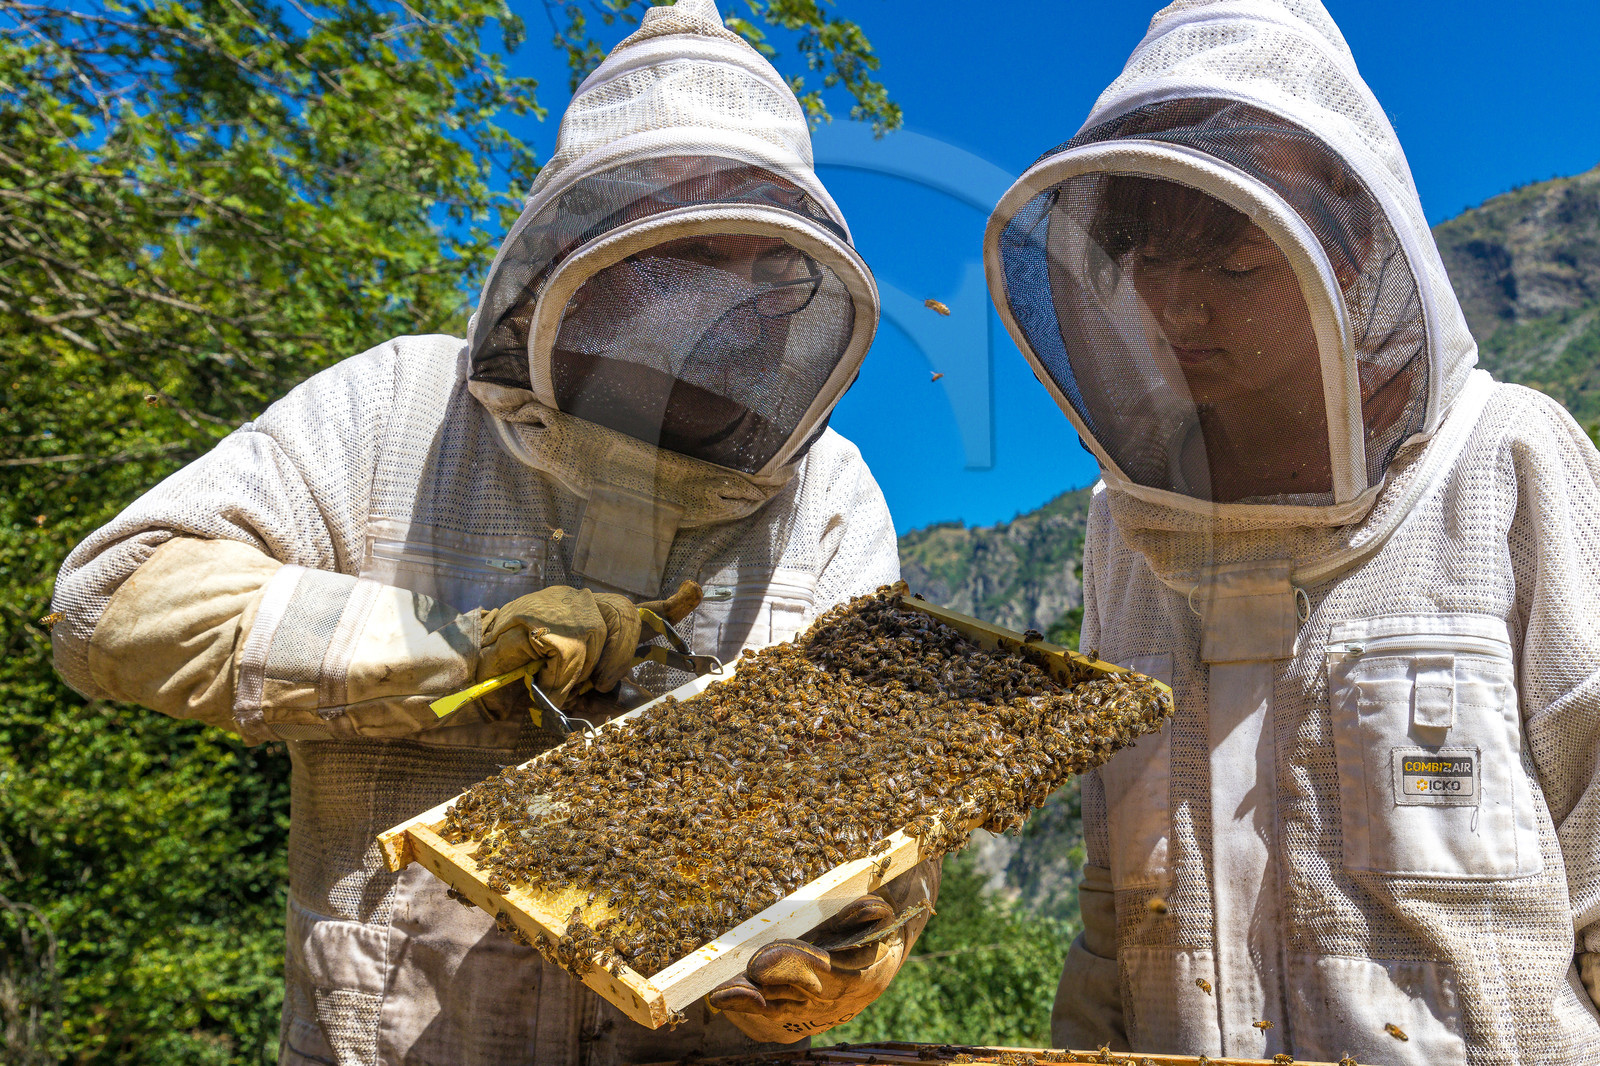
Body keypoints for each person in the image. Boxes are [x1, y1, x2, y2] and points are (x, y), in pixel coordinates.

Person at [48, 0, 936, 1061]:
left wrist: (858, 931)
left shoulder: (829, 494)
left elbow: (876, 813)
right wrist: (458, 645)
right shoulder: (394, 407)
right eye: (690, 257)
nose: (729, 307)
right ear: (585, 251)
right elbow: (110, 601)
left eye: (767, 273)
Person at [984, 1, 1600, 1063]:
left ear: (1353, 252)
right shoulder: (1120, 530)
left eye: (1231, 265)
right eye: (1143, 260)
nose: (1176, 312)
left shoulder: (1509, 461)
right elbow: (1111, 917)